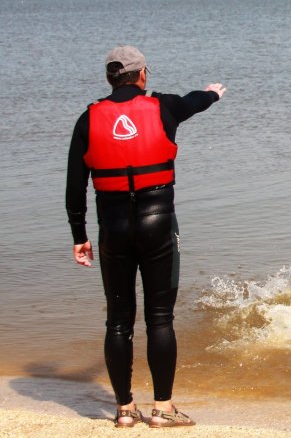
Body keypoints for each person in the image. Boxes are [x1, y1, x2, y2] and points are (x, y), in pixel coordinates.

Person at [66, 45, 226, 428]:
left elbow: (75, 187)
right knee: (160, 319)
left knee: (118, 322)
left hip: (113, 229)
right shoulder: (162, 107)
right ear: (142, 75)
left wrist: (79, 235)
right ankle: (163, 408)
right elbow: (195, 101)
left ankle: (124, 410)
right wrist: (213, 93)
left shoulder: (88, 119)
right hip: (158, 225)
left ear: (110, 78)